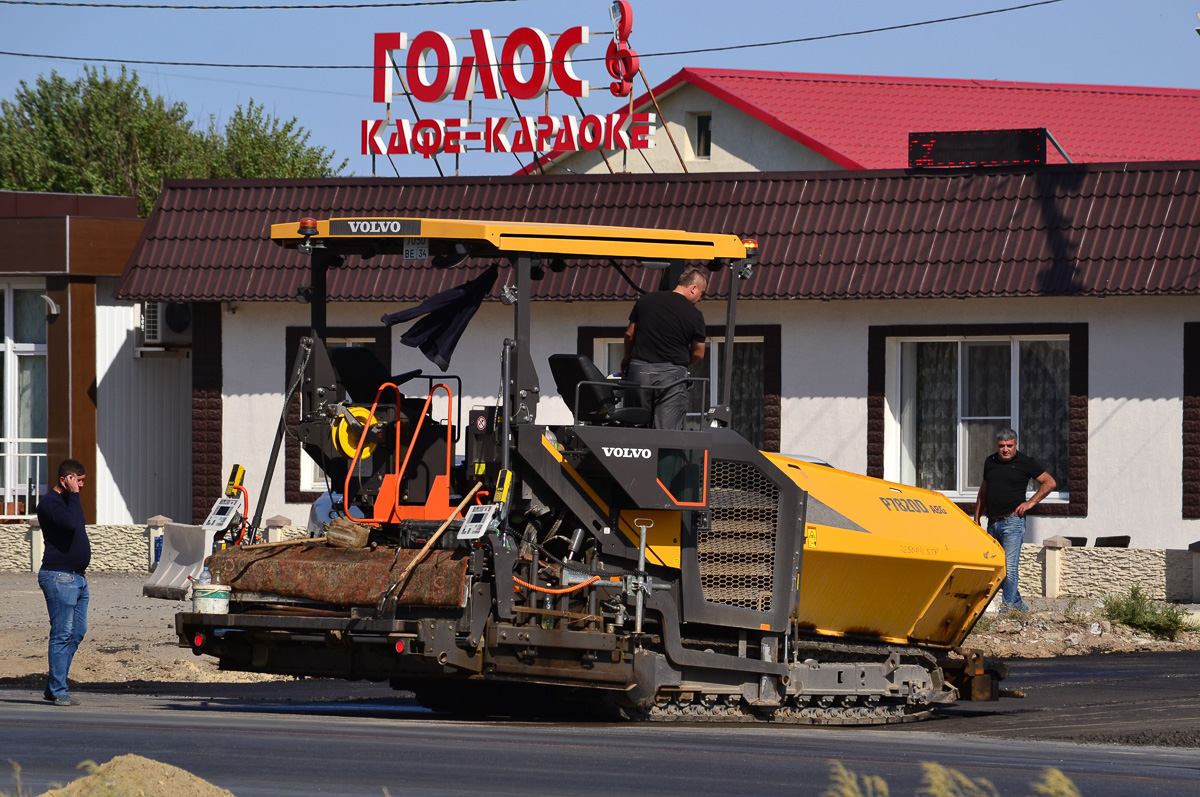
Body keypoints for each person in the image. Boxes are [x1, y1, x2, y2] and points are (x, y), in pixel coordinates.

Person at [973, 430, 1056, 612]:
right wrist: (977, 517)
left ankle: (1007, 611)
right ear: (997, 446)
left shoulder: (1025, 462)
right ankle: (1019, 606)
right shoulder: (990, 461)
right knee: (996, 568)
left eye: (1009, 446)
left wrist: (1031, 502)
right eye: (1002, 446)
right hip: (992, 522)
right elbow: (984, 491)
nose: (1005, 450)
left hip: (1013, 523)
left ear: (1016, 445)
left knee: (1009, 569)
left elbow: (1049, 482)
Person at [620, 267, 709, 430]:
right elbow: (699, 352)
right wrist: (681, 363)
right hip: (671, 379)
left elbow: (629, 334)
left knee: (635, 428)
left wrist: (627, 358)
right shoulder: (695, 315)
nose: (699, 299)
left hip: (639, 374)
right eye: (701, 293)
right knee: (667, 433)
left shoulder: (646, 301)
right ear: (693, 288)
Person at [37, 458, 89, 706]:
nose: (80, 486)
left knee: (77, 632)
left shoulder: (70, 501)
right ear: (64, 480)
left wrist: (81, 569)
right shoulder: (51, 503)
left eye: (82, 481)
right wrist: (75, 496)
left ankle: (52, 686)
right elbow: (68, 526)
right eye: (77, 481)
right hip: (59, 577)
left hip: (77, 577)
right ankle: (59, 690)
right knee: (61, 634)